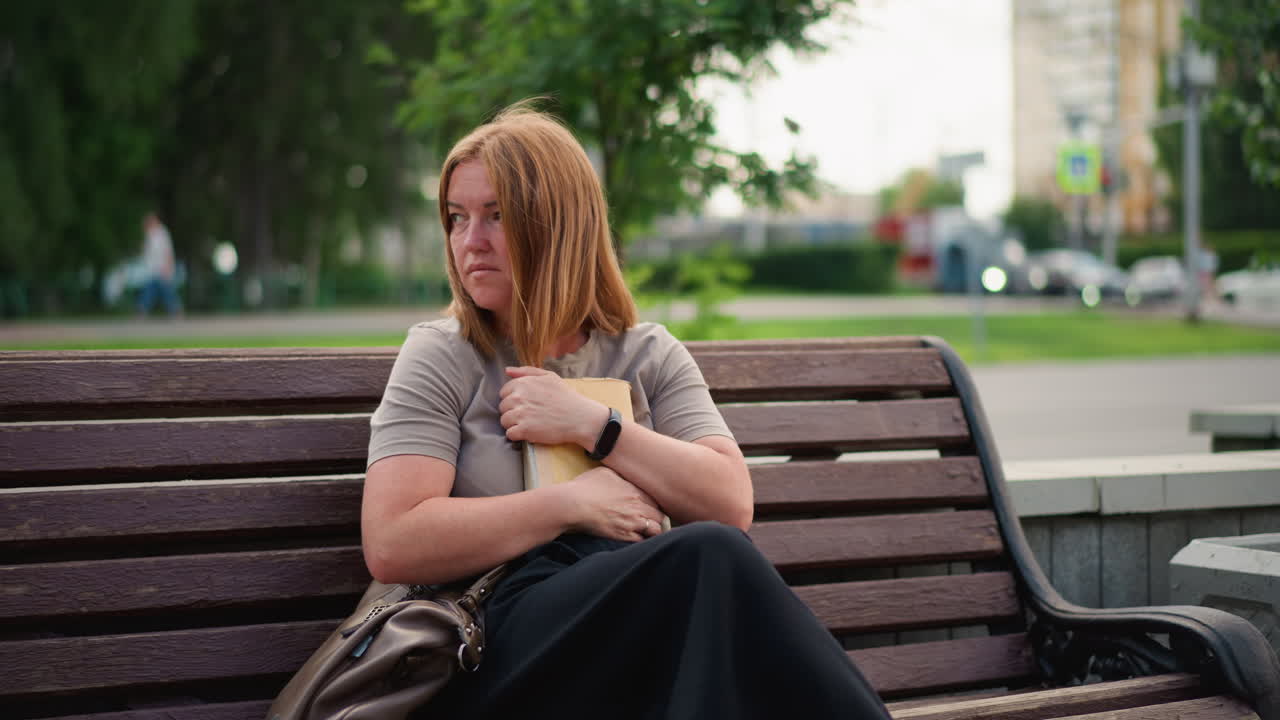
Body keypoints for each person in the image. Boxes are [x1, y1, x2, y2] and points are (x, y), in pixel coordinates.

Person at [362, 102, 893, 719]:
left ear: (558, 224)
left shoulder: (648, 354)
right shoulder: (444, 354)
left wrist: (596, 427)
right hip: (492, 646)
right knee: (708, 559)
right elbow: (394, 542)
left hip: (634, 641)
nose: (469, 242)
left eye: (496, 216)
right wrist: (571, 505)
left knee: (710, 598)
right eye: (457, 218)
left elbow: (729, 499)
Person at [137, 212, 181, 317]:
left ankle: (176, 310)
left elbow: (167, 251)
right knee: (150, 291)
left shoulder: (162, 233)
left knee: (167, 291)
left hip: (162, 268)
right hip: (151, 269)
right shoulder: (149, 234)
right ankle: (142, 310)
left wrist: (168, 266)